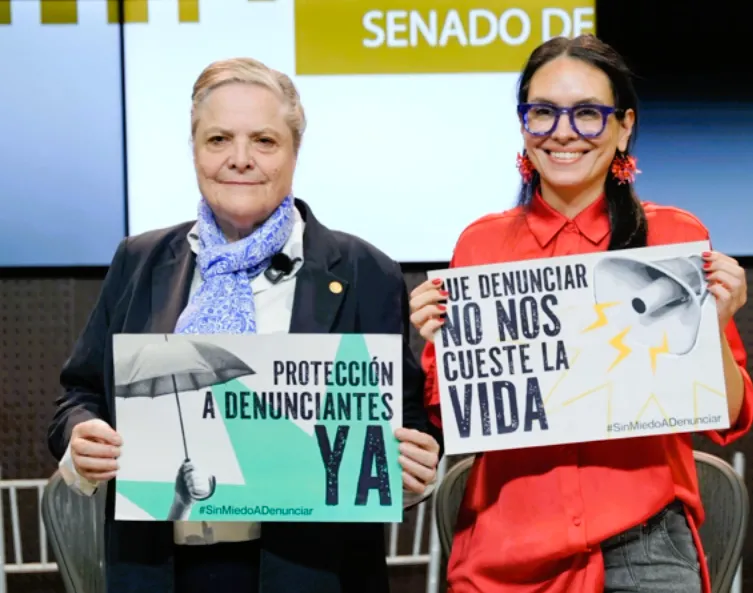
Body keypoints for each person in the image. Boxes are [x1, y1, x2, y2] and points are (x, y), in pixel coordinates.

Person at [47, 57, 441, 593]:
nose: (239, 159)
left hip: (312, 575)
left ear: (295, 150)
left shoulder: (364, 271)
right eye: (217, 139)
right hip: (158, 572)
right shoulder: (139, 261)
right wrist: (82, 441)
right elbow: (80, 395)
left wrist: (414, 469)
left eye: (263, 140)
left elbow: (408, 425)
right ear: (194, 149)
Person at [409, 34, 752, 593]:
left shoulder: (674, 237)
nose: (563, 132)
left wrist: (710, 329)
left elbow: (726, 417)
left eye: (588, 114)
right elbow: (453, 418)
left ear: (623, 128)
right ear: (524, 125)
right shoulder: (480, 245)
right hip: (506, 549)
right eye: (543, 112)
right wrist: (440, 344)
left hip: (646, 546)